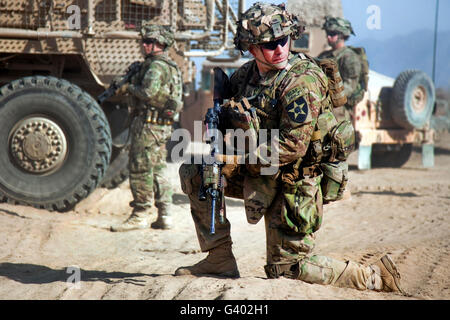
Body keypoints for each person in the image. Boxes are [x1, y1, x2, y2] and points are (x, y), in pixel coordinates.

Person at [175, 2, 406, 295]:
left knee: (286, 270)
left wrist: (236, 157)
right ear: (252, 48)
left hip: (295, 180)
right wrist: (218, 131)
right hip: (260, 171)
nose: (280, 48)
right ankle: (219, 258)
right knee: (198, 171)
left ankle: (373, 277)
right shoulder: (245, 77)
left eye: (284, 39)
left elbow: (290, 147)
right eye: (270, 44)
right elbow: (233, 118)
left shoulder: (301, 80)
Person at [110, 23, 183, 232]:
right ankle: (165, 214)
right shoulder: (170, 65)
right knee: (159, 168)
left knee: (141, 167)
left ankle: (140, 214)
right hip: (161, 126)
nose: (144, 45)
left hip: (148, 126)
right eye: (145, 41)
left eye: (149, 42)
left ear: (160, 44)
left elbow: (149, 93)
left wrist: (128, 87)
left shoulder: (155, 66)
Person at [317, 16, 363, 122]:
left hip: (338, 110)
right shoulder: (324, 56)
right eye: (327, 34)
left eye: (332, 34)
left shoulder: (349, 57)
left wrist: (328, 98)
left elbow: (349, 86)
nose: (328, 37)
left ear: (342, 35)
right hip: (321, 106)